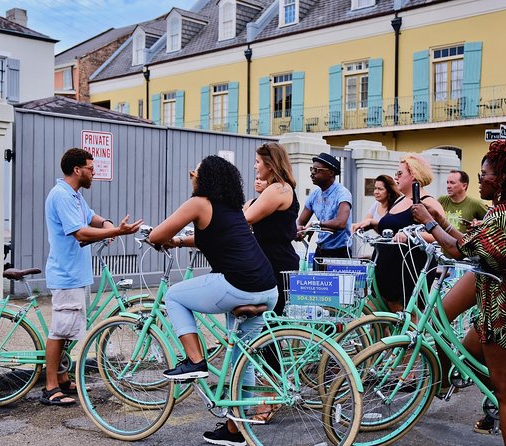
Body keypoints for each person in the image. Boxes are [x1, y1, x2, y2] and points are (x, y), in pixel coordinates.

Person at [412, 140, 506, 446]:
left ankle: (502, 410)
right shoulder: (505, 210)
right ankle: (493, 401)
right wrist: (443, 226)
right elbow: (471, 247)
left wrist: (429, 221)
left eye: (484, 173)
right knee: (469, 351)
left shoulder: (504, 214)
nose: (478, 178)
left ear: (500, 178)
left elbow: (457, 249)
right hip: (496, 304)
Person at [148, 155, 277, 446]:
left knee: (175, 296)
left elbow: (158, 234)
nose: (193, 175)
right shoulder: (231, 208)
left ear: (204, 178)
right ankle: (234, 430)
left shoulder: (199, 202)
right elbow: (207, 236)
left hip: (237, 286)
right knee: (241, 359)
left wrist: (160, 239)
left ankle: (195, 361)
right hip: (267, 288)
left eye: (197, 173)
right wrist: (181, 242)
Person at [43, 148, 142, 406]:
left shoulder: (74, 196)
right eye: (90, 167)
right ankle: (51, 386)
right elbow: (80, 233)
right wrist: (118, 232)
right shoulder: (62, 195)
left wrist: (109, 225)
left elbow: (92, 219)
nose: (93, 172)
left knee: (68, 330)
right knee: (60, 330)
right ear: (77, 170)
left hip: (76, 274)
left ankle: (63, 378)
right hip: (66, 275)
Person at [243, 142, 300, 422]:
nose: (254, 166)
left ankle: (271, 397)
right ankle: (267, 390)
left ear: (270, 162)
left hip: (277, 267)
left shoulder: (279, 190)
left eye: (257, 161)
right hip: (264, 265)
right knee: (262, 332)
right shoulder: (268, 192)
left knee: (268, 334)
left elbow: (243, 220)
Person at [370, 154, 445, 312]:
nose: (395, 177)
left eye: (399, 173)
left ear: (414, 175)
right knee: (379, 320)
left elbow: (439, 235)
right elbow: (390, 228)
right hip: (386, 268)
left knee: (406, 319)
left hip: (408, 270)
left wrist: (410, 236)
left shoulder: (428, 202)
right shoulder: (399, 200)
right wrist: (370, 223)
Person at [296, 152, 353, 261]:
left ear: (331, 173)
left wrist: (315, 224)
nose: (312, 173)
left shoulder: (342, 193)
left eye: (317, 170)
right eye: (311, 169)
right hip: (321, 251)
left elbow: (341, 222)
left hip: (340, 252)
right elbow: (300, 222)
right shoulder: (314, 194)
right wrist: (299, 230)